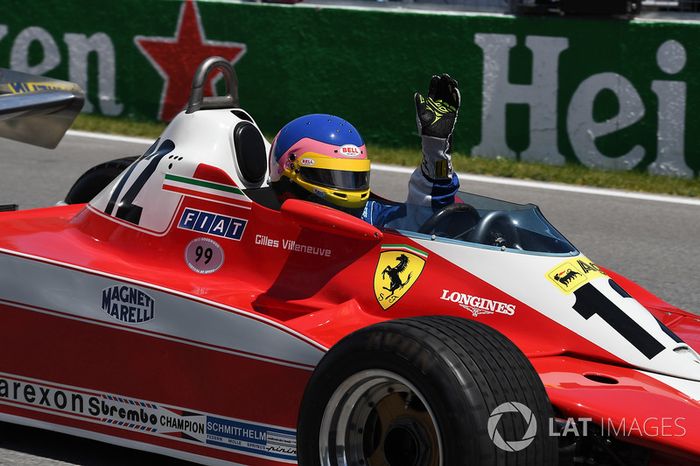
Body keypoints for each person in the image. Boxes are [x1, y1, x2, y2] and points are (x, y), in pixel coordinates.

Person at [267, 74, 461, 228]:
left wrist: (436, 150)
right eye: (336, 177)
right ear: (292, 170)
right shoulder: (263, 229)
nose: (349, 189)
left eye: (355, 178)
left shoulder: (369, 217)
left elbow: (423, 219)